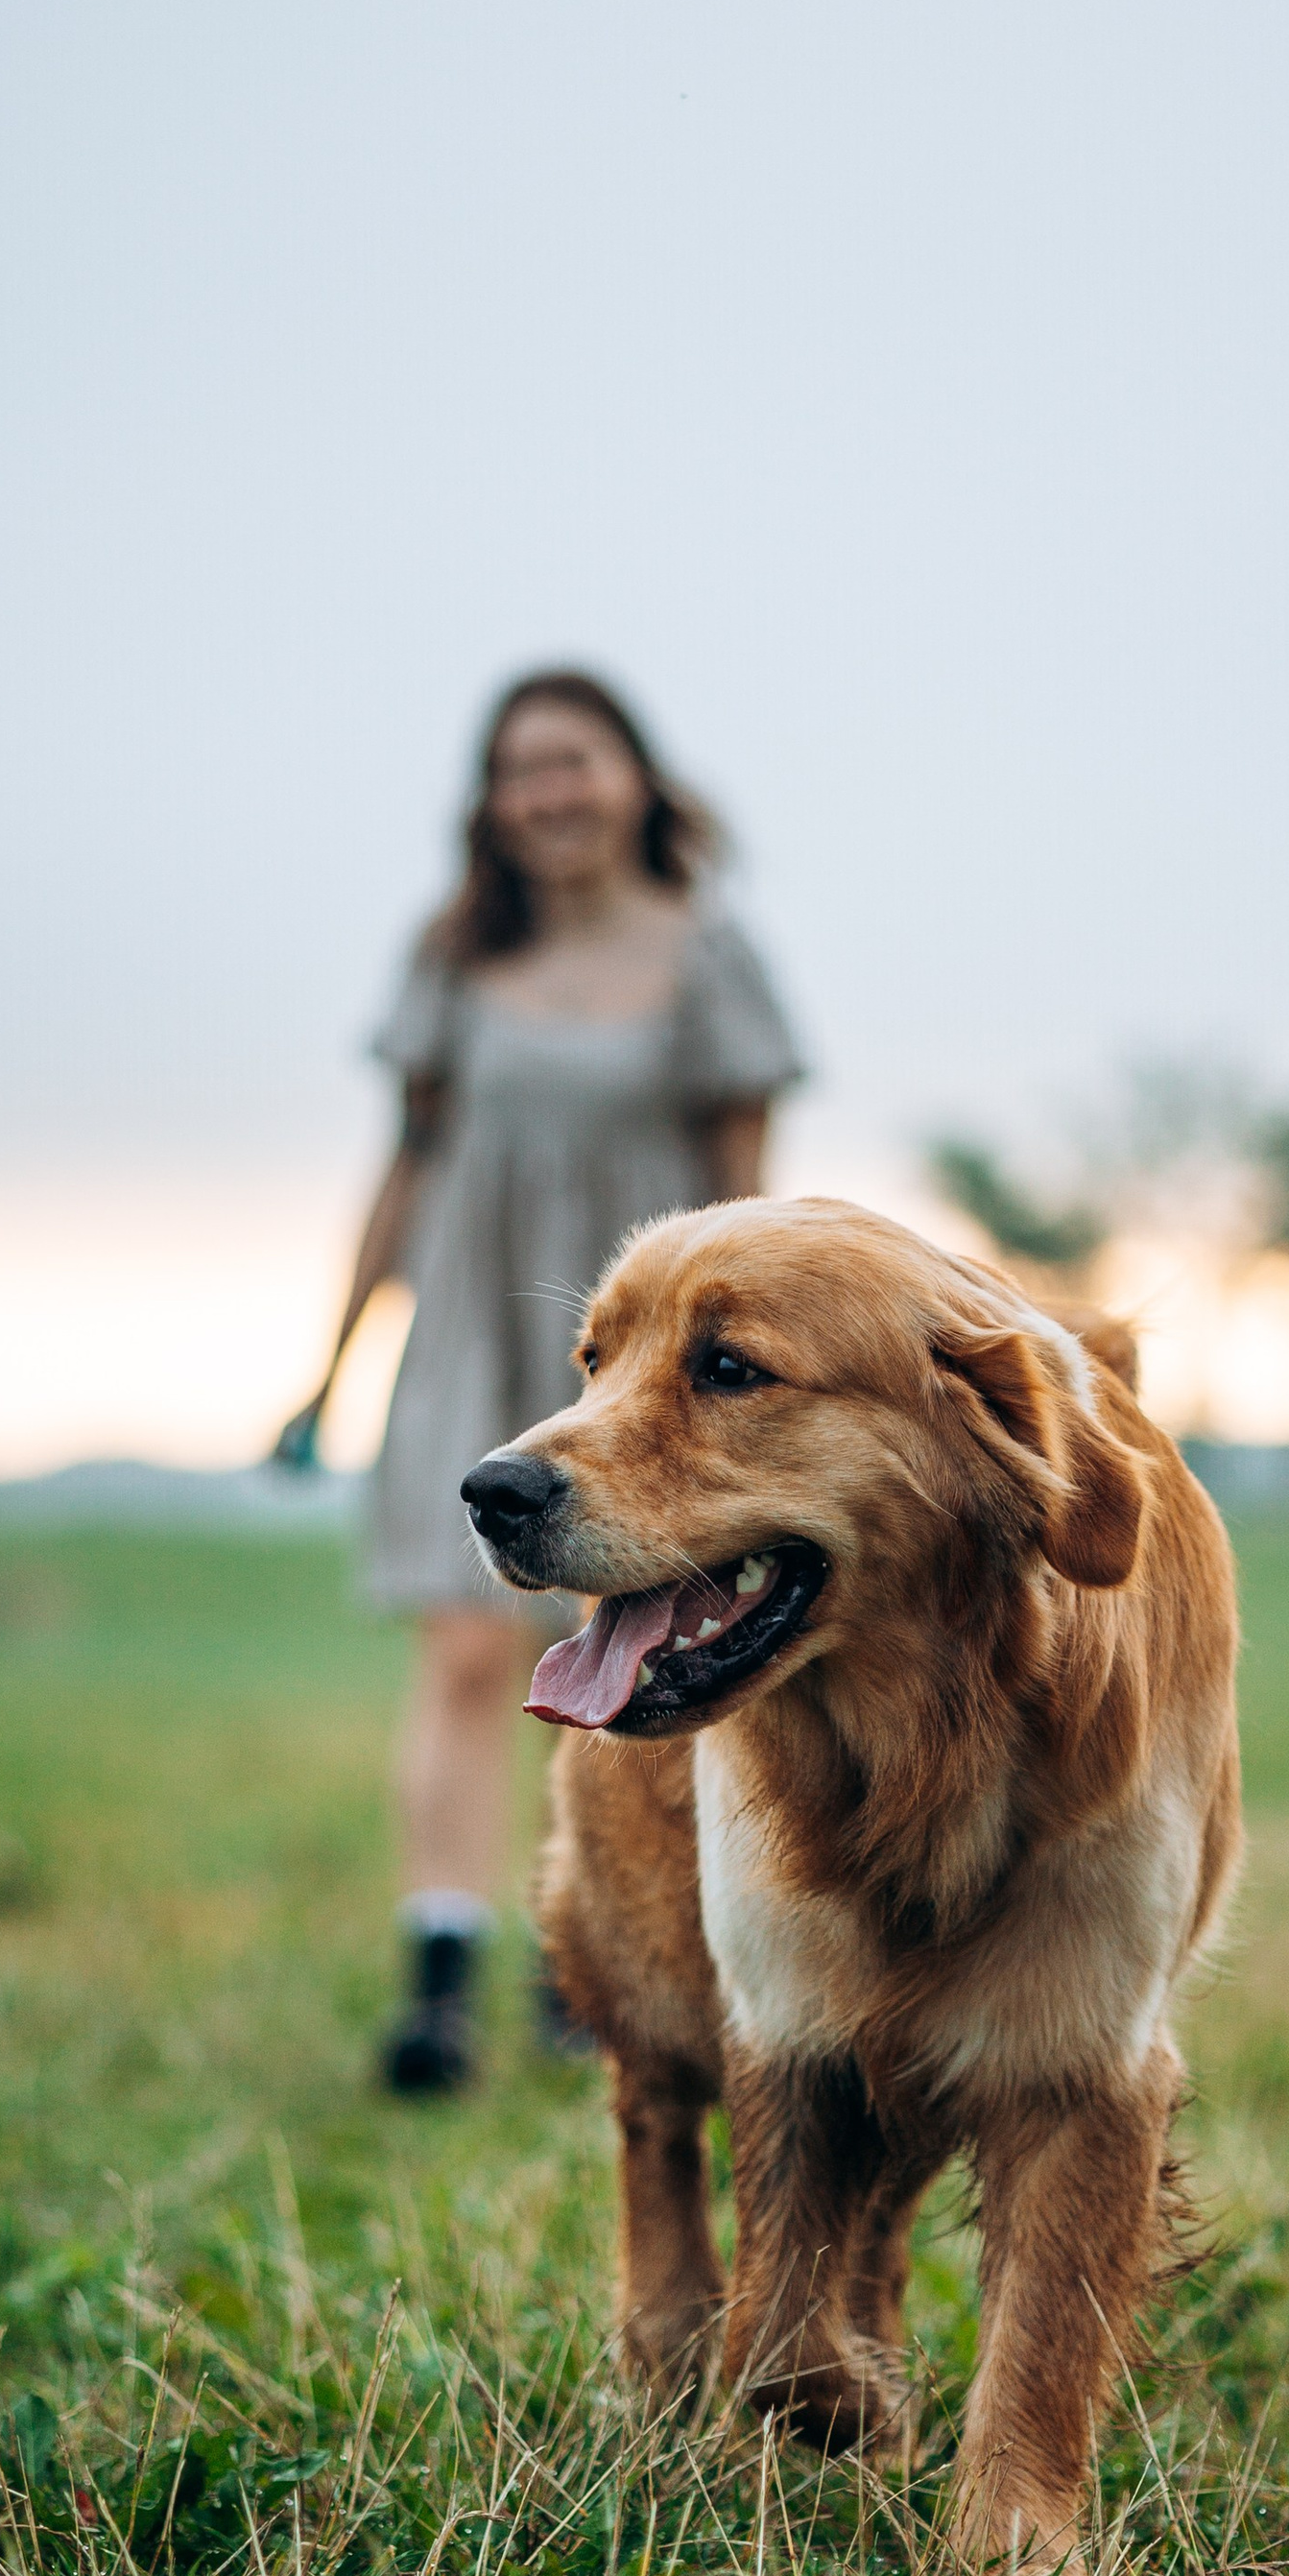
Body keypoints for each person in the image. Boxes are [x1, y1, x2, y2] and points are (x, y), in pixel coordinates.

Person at [275, 668, 803, 2091]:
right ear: (490, 804)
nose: (548, 793)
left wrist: (745, 1371)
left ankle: (598, 1953)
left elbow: (752, 1202)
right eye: (519, 770)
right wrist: (332, 1369)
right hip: (468, 1331)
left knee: (639, 1653)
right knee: (462, 1649)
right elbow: (407, 1165)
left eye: (573, 761)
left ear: (635, 776)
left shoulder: (710, 957)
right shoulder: (453, 959)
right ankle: (439, 1971)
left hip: (641, 1360)